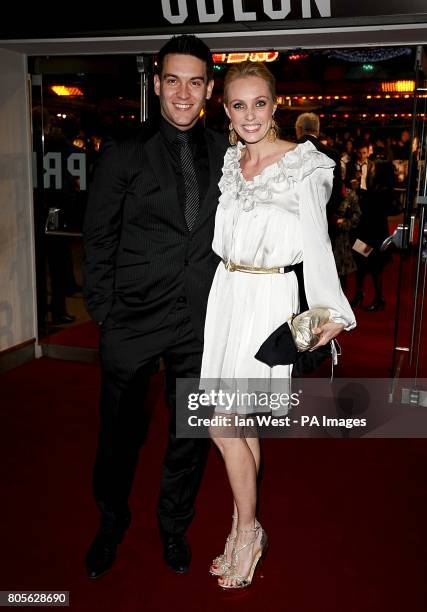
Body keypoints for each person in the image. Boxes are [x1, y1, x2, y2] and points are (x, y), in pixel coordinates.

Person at [200, 62, 356, 589]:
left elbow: (316, 243)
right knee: (238, 421)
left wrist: (330, 311)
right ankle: (243, 524)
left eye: (259, 103)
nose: (249, 115)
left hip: (268, 298)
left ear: (275, 104)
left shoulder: (302, 166)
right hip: (226, 296)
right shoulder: (230, 162)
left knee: (220, 422)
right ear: (225, 109)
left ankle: (248, 530)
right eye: (238, 105)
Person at [82, 34, 228, 579]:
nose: (184, 93)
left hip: (200, 323)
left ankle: (174, 527)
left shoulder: (228, 153)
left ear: (209, 89)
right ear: (157, 84)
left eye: (195, 82)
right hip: (133, 323)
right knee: (119, 435)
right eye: (173, 81)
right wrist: (105, 313)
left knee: (188, 436)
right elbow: (98, 240)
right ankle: (111, 521)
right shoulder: (123, 153)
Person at [295, 112, 343, 245]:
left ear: (299, 129)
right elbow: (337, 192)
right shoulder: (332, 154)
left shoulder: (288, 151)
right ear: (317, 130)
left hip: (295, 221)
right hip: (323, 220)